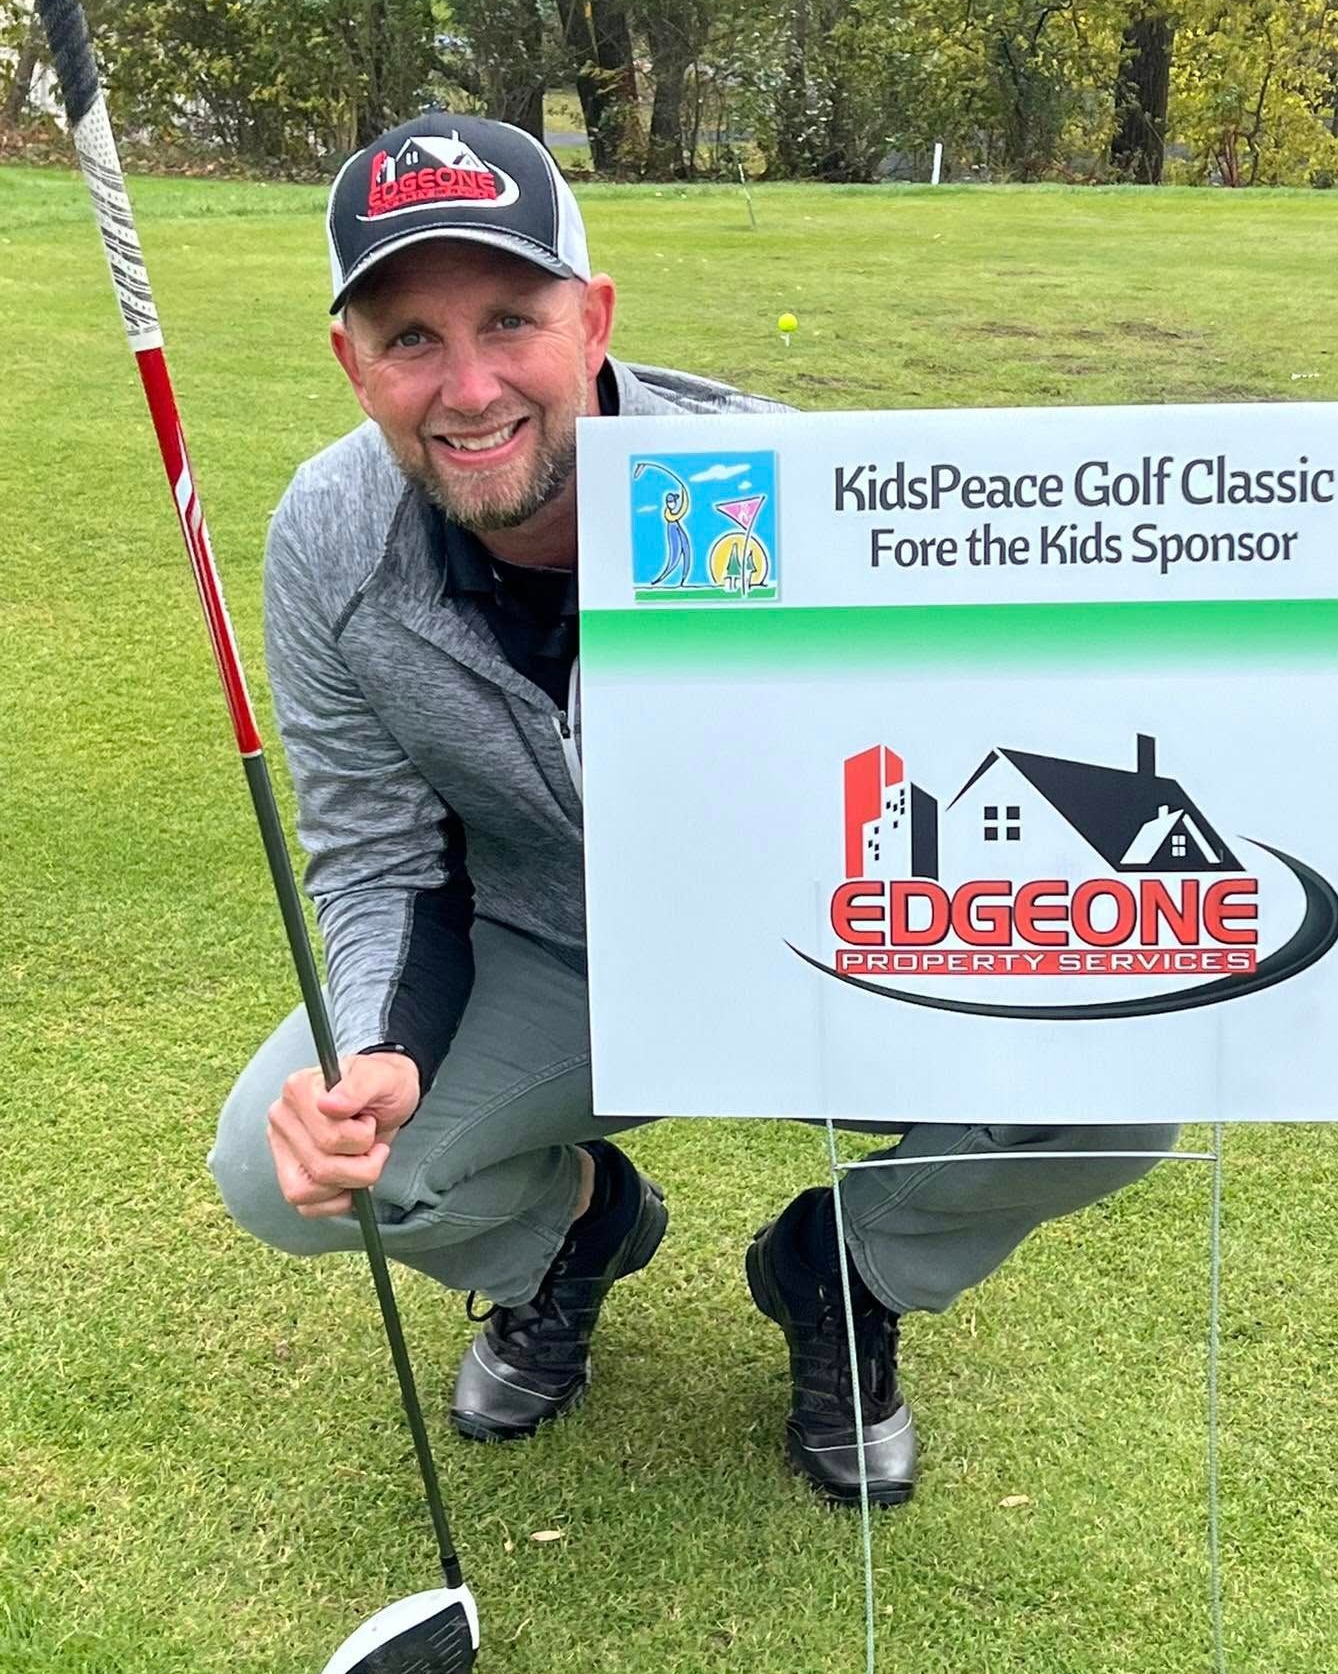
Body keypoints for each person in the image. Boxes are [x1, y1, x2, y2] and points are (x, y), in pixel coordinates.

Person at [210, 114, 1176, 1510]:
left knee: (1130, 1086)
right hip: (557, 957)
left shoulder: (788, 485)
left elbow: (988, 729)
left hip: (832, 946)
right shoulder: (327, 537)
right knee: (280, 1162)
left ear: (594, 319)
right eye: (411, 338)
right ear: (353, 364)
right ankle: (577, 1232)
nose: (469, 386)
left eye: (511, 320)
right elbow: (376, 855)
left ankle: (845, 1270)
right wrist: (383, 1047)